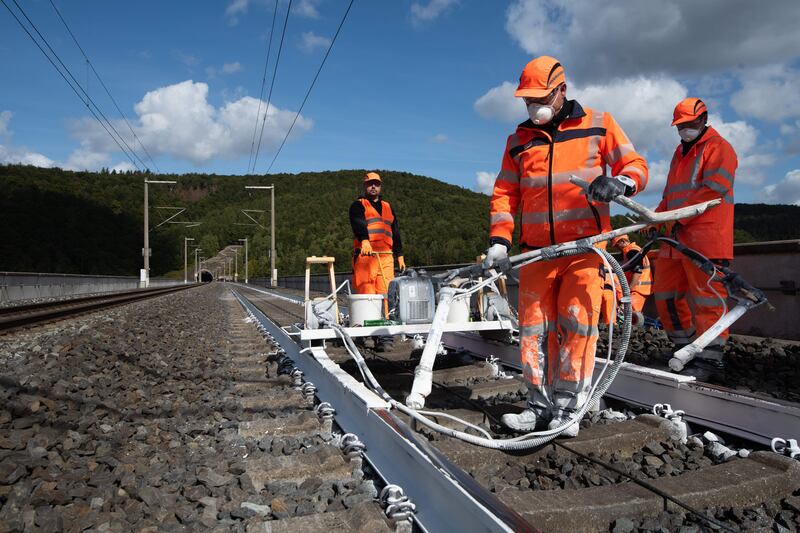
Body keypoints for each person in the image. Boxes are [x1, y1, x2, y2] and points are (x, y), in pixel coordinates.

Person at [483, 56, 648, 436]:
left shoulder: (598, 124)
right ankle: (538, 406)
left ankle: (567, 409)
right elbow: (505, 194)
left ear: (561, 91)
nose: (533, 107)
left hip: (584, 250)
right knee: (534, 331)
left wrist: (621, 183)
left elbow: (636, 164)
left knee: (577, 325)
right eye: (527, 100)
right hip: (537, 253)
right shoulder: (518, 141)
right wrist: (499, 241)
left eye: (539, 98)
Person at [651, 98, 737, 379]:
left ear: (704, 119)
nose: (685, 129)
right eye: (681, 125)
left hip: (706, 238)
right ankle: (685, 348)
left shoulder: (719, 148)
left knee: (708, 299)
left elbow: (714, 190)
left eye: (690, 124)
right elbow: (670, 194)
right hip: (676, 239)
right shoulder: (680, 152)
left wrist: (676, 217)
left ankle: (711, 360)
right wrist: (655, 218)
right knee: (665, 294)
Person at [349, 171, 406, 350]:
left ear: (380, 186)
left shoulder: (388, 207)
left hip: (386, 256)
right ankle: (364, 332)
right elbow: (358, 222)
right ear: (365, 186)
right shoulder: (359, 205)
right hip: (366, 255)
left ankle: (384, 336)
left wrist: (400, 255)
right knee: (367, 293)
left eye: (376, 183)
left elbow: (395, 231)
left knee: (386, 295)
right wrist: (364, 239)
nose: (373, 186)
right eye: (369, 184)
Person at [601, 235, 652, 326]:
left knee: (630, 316)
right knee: (628, 315)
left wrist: (628, 289)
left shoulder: (632, 251)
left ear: (623, 241)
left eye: (617, 245)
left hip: (637, 289)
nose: (617, 248)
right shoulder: (630, 251)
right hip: (637, 289)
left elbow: (637, 272)